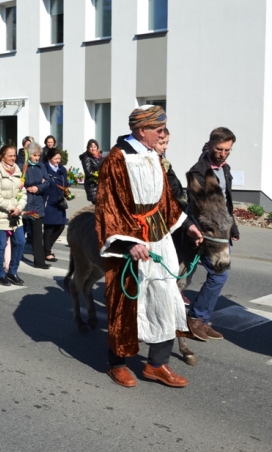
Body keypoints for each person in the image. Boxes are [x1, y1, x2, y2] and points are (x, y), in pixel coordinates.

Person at [96, 104, 203, 389]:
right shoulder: (117, 158)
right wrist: (128, 241)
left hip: (159, 237)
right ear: (142, 130)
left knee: (165, 297)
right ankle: (116, 363)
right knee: (126, 302)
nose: (162, 134)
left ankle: (156, 364)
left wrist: (187, 224)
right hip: (131, 241)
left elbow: (165, 199)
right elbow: (109, 205)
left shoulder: (153, 155)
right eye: (158, 129)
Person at [185, 127, 239, 341]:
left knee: (218, 274)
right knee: (219, 274)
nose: (223, 154)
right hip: (204, 231)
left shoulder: (225, 169)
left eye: (228, 150)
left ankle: (202, 319)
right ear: (209, 145)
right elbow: (198, 207)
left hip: (221, 229)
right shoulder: (198, 172)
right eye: (219, 149)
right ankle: (196, 318)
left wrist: (232, 227)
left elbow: (226, 202)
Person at [0, 145, 27, 286]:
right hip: (0, 214)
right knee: (0, 246)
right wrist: (12, 207)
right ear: (2, 156)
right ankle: (0, 274)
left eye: (14, 155)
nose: (13, 158)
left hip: (16, 215)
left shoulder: (18, 171)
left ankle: (12, 271)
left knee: (21, 242)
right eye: (10, 155)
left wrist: (19, 208)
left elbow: (23, 193)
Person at [22, 142, 50, 269]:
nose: (37, 158)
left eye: (38, 155)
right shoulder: (22, 166)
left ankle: (39, 262)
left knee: (38, 234)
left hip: (37, 203)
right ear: (29, 155)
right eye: (34, 155)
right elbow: (19, 182)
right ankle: (12, 257)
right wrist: (28, 187)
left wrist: (38, 187)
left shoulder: (41, 166)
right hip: (24, 203)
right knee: (19, 234)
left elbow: (47, 181)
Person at [42, 148, 68, 263]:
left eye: (59, 158)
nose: (58, 161)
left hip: (59, 202)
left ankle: (46, 247)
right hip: (48, 201)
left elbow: (65, 183)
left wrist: (67, 191)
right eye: (55, 158)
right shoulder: (45, 168)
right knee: (49, 227)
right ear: (49, 158)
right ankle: (47, 252)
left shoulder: (62, 169)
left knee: (61, 225)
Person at [154, 129, 187, 209]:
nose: (166, 147)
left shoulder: (164, 161)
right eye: (161, 143)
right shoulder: (152, 164)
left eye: (167, 143)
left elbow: (174, 185)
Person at [79, 139, 104, 204]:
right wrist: (99, 175)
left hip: (100, 184)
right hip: (92, 185)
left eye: (94, 146)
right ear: (88, 148)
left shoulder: (99, 156)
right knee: (98, 205)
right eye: (91, 147)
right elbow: (88, 172)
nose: (93, 148)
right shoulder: (86, 157)